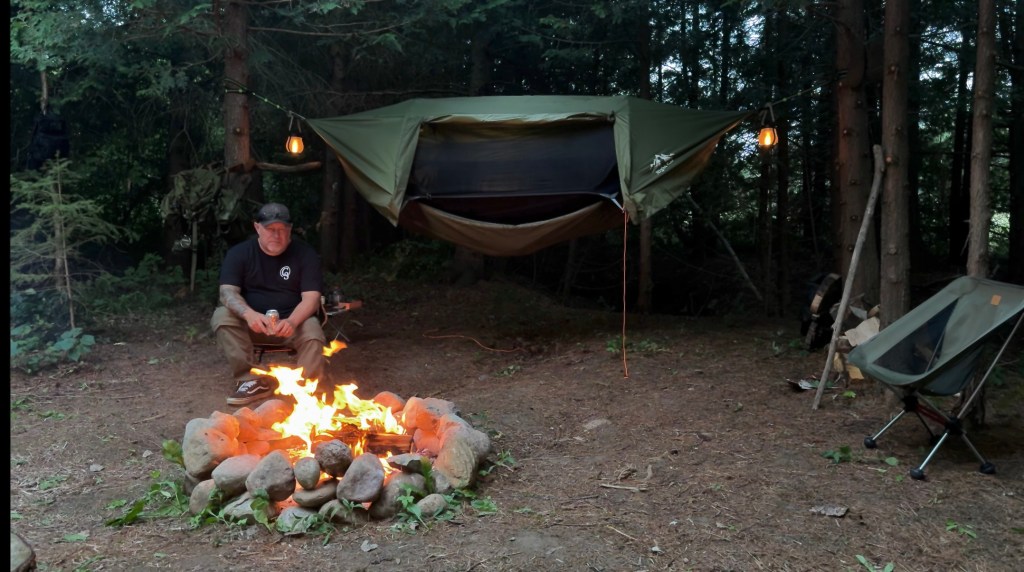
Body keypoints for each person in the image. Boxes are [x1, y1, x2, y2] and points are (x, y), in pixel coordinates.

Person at [210, 203, 327, 405]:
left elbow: (312, 298)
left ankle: (307, 388)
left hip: (291, 325)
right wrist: (249, 314)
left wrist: (291, 322)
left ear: (290, 229)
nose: (276, 235)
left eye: (282, 229)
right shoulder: (239, 253)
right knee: (221, 316)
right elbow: (227, 292)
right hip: (253, 324)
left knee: (313, 330)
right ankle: (250, 379)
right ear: (257, 228)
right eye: (270, 229)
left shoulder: (304, 254)